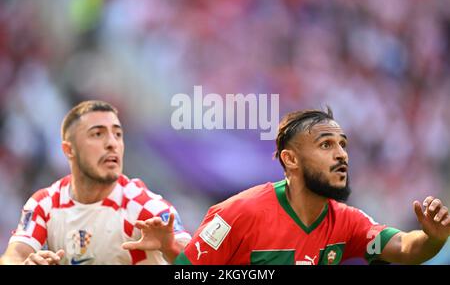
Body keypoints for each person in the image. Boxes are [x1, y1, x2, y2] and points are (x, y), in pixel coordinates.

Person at [126, 107, 450, 265]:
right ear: (290, 159)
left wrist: (433, 239)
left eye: (343, 145)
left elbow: (407, 249)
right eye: (326, 145)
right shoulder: (236, 214)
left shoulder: (347, 222)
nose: (341, 155)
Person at [0, 100, 190, 265]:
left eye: (117, 134)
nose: (112, 143)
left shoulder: (145, 209)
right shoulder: (45, 204)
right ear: (69, 150)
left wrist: (170, 248)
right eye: (98, 134)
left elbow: (197, 264)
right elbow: (12, 256)